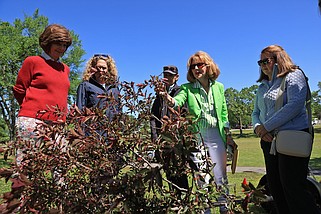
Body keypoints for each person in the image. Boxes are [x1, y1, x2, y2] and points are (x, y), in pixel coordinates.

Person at [160, 51, 235, 213]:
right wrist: (167, 98)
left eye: (199, 65)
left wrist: (228, 136)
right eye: (192, 66)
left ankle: (225, 208)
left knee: (220, 176)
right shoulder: (187, 89)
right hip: (197, 138)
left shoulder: (219, 87)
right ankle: (205, 211)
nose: (196, 68)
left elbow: (223, 113)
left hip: (217, 135)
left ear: (208, 66)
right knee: (202, 177)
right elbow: (176, 102)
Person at [252, 44, 320, 214]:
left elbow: (294, 106)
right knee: (276, 188)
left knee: (293, 188)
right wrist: (258, 128)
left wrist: (266, 127)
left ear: (278, 59)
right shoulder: (262, 87)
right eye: (260, 62)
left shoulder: (294, 75)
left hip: (292, 137)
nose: (263, 65)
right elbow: (256, 113)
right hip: (269, 141)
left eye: (266, 61)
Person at [13, 24, 72, 167]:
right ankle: (20, 190)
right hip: (32, 121)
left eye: (65, 45)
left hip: (58, 123)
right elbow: (20, 89)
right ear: (48, 42)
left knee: (60, 164)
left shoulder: (65, 69)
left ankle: (58, 190)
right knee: (26, 165)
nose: (62, 48)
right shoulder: (33, 61)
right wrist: (31, 109)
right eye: (58, 43)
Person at [150, 65, 189, 195]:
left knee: (179, 170)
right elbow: (153, 117)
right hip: (162, 141)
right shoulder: (159, 95)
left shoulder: (180, 92)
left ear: (176, 77)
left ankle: (183, 199)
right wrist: (155, 137)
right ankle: (174, 199)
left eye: (170, 75)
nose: (167, 77)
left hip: (176, 140)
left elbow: (185, 115)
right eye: (165, 75)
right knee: (168, 171)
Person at [76, 54, 121, 131]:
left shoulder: (114, 88)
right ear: (93, 68)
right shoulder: (85, 86)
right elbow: (80, 111)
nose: (101, 70)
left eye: (104, 68)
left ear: (109, 69)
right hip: (92, 133)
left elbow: (119, 111)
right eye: (98, 67)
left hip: (111, 133)